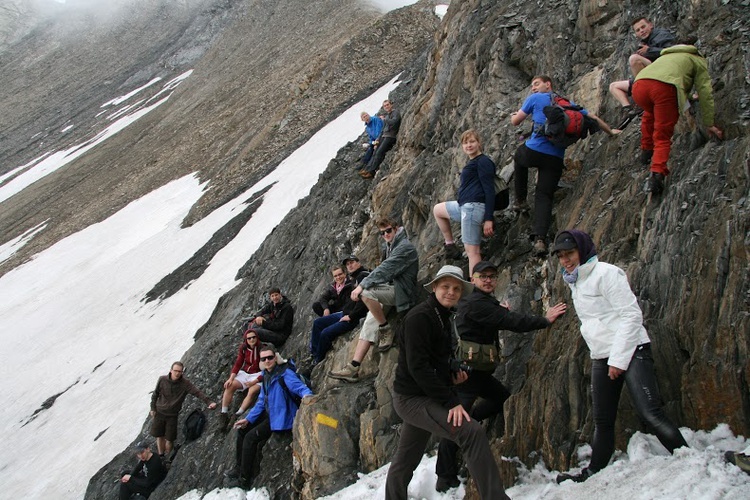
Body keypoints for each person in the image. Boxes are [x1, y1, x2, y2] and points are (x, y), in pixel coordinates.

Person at [551, 230, 688, 483]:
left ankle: (691, 460)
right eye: (560, 256)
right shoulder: (575, 280)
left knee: (650, 413)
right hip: (602, 355)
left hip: (632, 349)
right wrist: (607, 357)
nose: (565, 260)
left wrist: (618, 359)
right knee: (602, 420)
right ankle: (593, 472)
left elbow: (631, 316)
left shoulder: (606, 273)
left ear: (582, 250)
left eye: (569, 253)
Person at [434, 260, 567, 492]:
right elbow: (513, 322)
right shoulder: (478, 302)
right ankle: (444, 477)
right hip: (467, 374)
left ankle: (471, 421)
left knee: (500, 399)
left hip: (478, 370)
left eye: (492, 277)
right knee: (455, 424)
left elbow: (492, 316)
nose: (488, 280)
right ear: (473, 279)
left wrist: (497, 309)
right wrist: (545, 320)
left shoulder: (476, 299)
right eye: (482, 276)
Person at [384, 265, 509, 500]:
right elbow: (418, 367)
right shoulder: (420, 318)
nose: (450, 292)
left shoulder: (442, 315)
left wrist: (452, 374)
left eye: (456, 288)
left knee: (405, 460)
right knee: (471, 432)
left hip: (424, 395)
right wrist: (452, 401)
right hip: (412, 398)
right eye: (445, 287)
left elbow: (437, 359)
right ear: (434, 288)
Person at [510, 75, 620, 256]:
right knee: (544, 196)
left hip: (534, 151)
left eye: (536, 84)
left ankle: (520, 200)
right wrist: (611, 132)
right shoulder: (567, 103)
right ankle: (540, 240)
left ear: (548, 84)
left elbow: (516, 122)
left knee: (518, 158)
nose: (533, 88)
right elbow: (592, 117)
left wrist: (513, 116)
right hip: (554, 158)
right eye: (531, 85)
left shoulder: (535, 99)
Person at [328, 216, 419, 382]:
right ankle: (354, 367)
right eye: (382, 233)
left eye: (388, 231)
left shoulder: (404, 247)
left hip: (404, 293)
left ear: (396, 228)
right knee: (370, 322)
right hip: (392, 289)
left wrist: (362, 286)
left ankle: (385, 328)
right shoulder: (390, 245)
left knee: (365, 293)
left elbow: (386, 269)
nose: (385, 235)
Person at [632, 44, 723, 195]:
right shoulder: (697, 60)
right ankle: (656, 175)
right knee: (663, 134)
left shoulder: (667, 56)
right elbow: (705, 92)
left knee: (649, 114)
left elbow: (673, 77)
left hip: (639, 85)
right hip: (663, 89)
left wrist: (685, 95)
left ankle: (646, 151)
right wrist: (709, 123)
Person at [231, 344, 313, 488]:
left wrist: (309, 398)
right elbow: (262, 401)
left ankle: (244, 480)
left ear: (275, 357)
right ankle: (238, 468)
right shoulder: (267, 376)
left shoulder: (285, 374)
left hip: (282, 417)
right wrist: (248, 419)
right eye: (264, 359)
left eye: (270, 357)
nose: (267, 360)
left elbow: (300, 388)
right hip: (272, 412)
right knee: (242, 430)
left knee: (250, 438)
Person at [432, 129, 495, 275]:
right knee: (438, 210)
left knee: (472, 251)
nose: (469, 145)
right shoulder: (473, 162)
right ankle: (450, 245)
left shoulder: (484, 162)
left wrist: (488, 219)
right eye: (465, 143)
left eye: (472, 141)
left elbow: (489, 190)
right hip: (465, 206)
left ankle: (476, 285)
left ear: (479, 143)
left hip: (474, 207)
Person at [609, 17, 676, 129]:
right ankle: (629, 111)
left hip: (663, 73)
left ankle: (642, 97)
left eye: (643, 27)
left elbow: (671, 52)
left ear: (650, 25)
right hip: (649, 75)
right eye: (638, 30)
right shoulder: (644, 43)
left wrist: (649, 50)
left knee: (634, 59)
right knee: (614, 86)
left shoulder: (662, 34)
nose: (641, 31)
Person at [150, 362, 216, 461]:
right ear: (171, 370)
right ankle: (161, 456)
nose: (177, 373)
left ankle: (168, 458)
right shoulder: (162, 379)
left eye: (180, 371)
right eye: (175, 371)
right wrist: (153, 408)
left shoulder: (185, 384)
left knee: (170, 439)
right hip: (160, 412)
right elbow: (155, 394)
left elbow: (196, 392)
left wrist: (209, 402)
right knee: (159, 435)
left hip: (172, 415)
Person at [309, 255, 370, 364]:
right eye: (347, 264)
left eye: (352, 262)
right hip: (344, 313)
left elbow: (363, 302)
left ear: (358, 263)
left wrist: (351, 316)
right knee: (317, 323)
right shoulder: (354, 279)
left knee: (325, 333)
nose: (350, 265)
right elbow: (322, 298)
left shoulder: (361, 277)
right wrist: (326, 309)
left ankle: (318, 359)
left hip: (352, 316)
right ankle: (314, 354)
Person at [219, 329, 264, 430]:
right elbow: (238, 363)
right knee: (230, 386)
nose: (252, 339)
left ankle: (238, 413)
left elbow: (267, 370)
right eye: (249, 338)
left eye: (254, 337)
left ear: (257, 338)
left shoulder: (262, 348)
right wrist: (231, 378)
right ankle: (224, 413)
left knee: (252, 391)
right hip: (246, 373)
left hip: (258, 374)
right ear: (246, 340)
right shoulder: (243, 348)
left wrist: (255, 381)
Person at [359, 100, 401, 179]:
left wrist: (384, 119)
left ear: (391, 105)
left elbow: (394, 122)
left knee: (379, 152)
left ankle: (370, 171)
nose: (386, 107)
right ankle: (368, 170)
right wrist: (377, 140)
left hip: (390, 136)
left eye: (387, 105)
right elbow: (383, 130)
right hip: (384, 136)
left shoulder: (395, 113)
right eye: (385, 106)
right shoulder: (386, 116)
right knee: (375, 151)